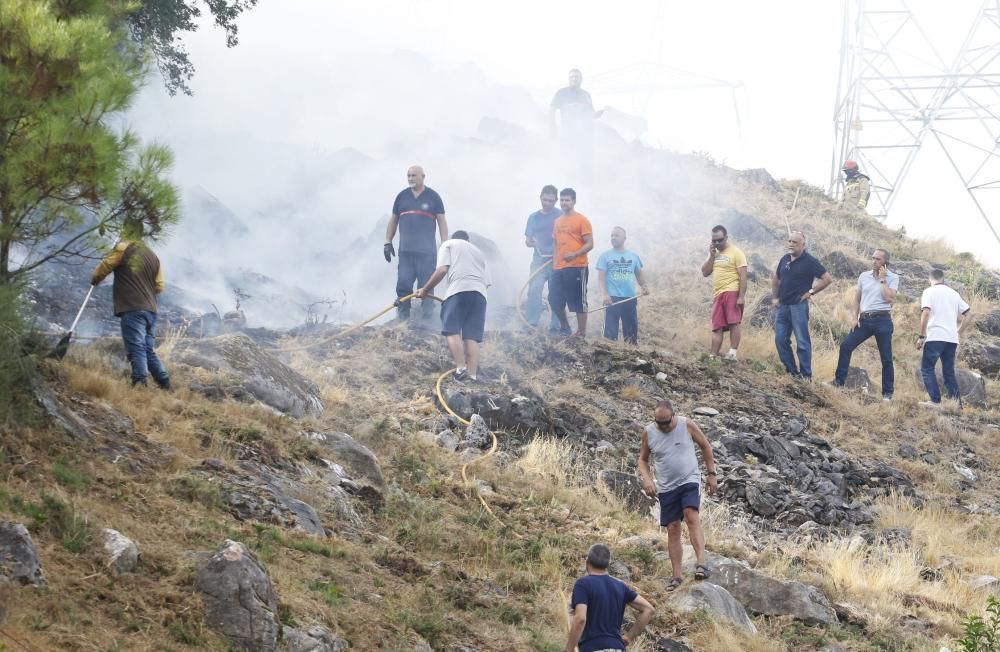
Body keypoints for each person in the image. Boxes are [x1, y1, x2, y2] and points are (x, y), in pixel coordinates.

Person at [637, 399, 717, 593]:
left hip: (689, 479)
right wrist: (647, 480)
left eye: (666, 422)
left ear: (673, 415)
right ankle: (676, 576)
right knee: (673, 528)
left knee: (691, 514)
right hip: (666, 487)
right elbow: (642, 459)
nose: (663, 427)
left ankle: (701, 563)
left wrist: (711, 473)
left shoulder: (686, 424)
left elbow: (705, 446)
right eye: (659, 423)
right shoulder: (649, 432)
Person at [91, 219, 170, 389]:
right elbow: (159, 286)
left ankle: (139, 383)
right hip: (151, 310)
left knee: (136, 347)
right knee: (148, 349)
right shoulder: (153, 256)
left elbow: (106, 265)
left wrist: (96, 278)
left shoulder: (123, 247)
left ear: (126, 231)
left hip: (133, 308)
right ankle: (164, 381)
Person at [416, 231, 489, 383]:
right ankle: (472, 375)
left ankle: (461, 369)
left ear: (453, 238)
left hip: (458, 290)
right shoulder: (479, 253)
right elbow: (486, 281)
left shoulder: (449, 244)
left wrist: (425, 289)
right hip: (480, 295)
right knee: (471, 337)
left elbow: (442, 270)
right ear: (468, 240)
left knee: (452, 330)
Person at [832, 248, 899, 400]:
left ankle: (887, 394)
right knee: (845, 346)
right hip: (864, 320)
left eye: (878, 259)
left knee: (886, 358)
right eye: (873, 258)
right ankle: (839, 382)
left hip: (883, 320)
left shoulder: (893, 277)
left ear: (885, 263)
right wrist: (854, 317)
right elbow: (857, 299)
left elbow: (889, 298)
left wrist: (883, 280)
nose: (874, 261)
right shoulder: (864, 276)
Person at [385, 165, 448, 322]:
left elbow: (442, 221)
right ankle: (403, 321)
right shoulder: (402, 197)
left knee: (427, 286)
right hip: (405, 251)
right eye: (408, 176)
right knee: (403, 285)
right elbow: (393, 220)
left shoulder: (433, 197)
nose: (410, 178)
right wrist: (387, 242)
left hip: (427, 252)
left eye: (414, 175)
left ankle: (427, 322)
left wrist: (445, 245)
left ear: (423, 176)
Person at [566, 543, 655, 652]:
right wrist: (628, 637)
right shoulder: (620, 586)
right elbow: (649, 609)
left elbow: (580, 619)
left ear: (587, 561)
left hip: (593, 647)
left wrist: (569, 648)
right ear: (607, 564)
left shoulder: (583, 584)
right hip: (617, 648)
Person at [771, 231, 833, 380]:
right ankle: (792, 372)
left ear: (803, 245)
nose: (791, 244)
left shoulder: (810, 261)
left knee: (802, 342)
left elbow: (827, 279)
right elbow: (776, 278)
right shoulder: (785, 258)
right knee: (780, 339)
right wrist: (775, 298)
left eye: (795, 242)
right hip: (783, 306)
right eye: (790, 241)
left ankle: (806, 376)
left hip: (798, 306)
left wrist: (810, 292)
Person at [917, 269, 972, 408]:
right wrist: (958, 332)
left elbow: (925, 313)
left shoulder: (929, 291)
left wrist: (921, 336)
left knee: (927, 368)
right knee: (949, 372)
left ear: (930, 279)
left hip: (936, 336)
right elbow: (969, 315)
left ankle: (935, 401)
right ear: (942, 279)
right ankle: (957, 405)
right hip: (952, 339)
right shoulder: (954, 293)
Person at [549, 188, 594, 338]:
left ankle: (581, 333)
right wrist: (555, 264)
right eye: (561, 200)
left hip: (577, 267)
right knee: (554, 300)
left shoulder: (582, 220)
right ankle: (565, 328)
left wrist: (575, 254)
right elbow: (555, 244)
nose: (564, 203)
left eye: (567, 200)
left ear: (574, 201)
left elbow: (590, 243)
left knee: (578, 302)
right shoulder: (557, 221)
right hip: (559, 268)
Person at [700, 225, 747, 360]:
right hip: (718, 294)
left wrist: (741, 296)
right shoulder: (714, 254)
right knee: (717, 326)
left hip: (732, 291)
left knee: (734, 322)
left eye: (719, 240)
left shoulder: (736, 252)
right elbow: (705, 272)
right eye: (714, 240)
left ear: (726, 237)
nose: (716, 243)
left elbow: (743, 276)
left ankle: (732, 353)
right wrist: (712, 256)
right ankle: (713, 356)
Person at [596, 227, 648, 344]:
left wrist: (644, 287)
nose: (613, 238)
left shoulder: (633, 256)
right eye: (612, 236)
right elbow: (601, 279)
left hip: (630, 297)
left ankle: (631, 355)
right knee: (609, 336)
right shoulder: (605, 256)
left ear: (624, 238)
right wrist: (605, 295)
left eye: (616, 235)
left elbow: (639, 274)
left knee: (631, 335)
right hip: (612, 298)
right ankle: (608, 354)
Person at [523, 185, 562, 331]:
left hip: (557, 261)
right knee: (534, 289)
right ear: (540, 198)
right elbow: (528, 240)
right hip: (539, 260)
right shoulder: (533, 217)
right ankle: (531, 323)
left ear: (556, 200)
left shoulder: (561, 216)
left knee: (556, 292)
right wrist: (531, 242)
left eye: (551, 201)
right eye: (545, 200)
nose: (547, 203)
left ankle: (555, 326)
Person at [550, 68, 596, 136]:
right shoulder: (561, 93)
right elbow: (551, 110)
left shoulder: (586, 95)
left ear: (581, 79)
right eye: (571, 77)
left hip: (584, 135)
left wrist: (603, 112)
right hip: (566, 133)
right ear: (568, 79)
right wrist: (552, 126)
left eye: (576, 77)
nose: (574, 79)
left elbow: (591, 114)